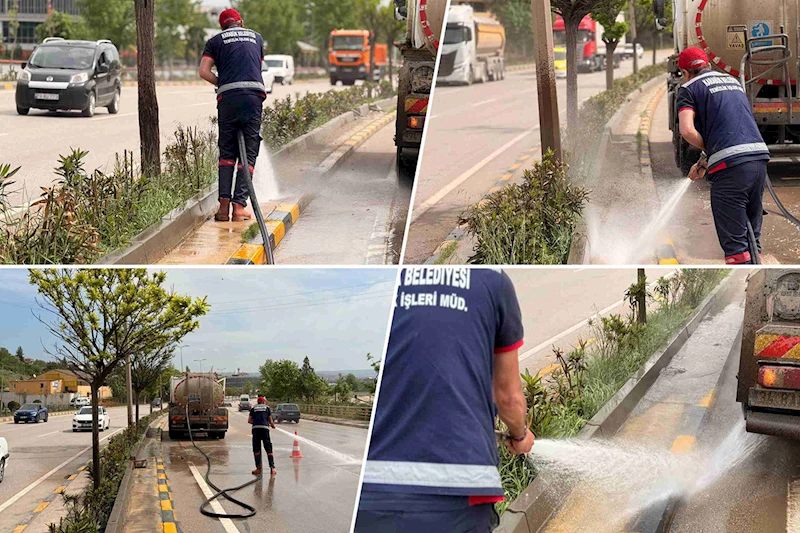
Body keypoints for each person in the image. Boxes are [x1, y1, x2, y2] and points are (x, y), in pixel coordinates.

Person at [355, 267, 535, 533]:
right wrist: (520, 435)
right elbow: (508, 397)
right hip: (460, 495)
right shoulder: (492, 282)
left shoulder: (387, 281)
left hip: (372, 493)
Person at [677, 47, 770, 264]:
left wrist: (711, 149)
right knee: (752, 240)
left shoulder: (688, 89)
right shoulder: (732, 82)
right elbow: (729, 126)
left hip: (731, 169)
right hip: (758, 160)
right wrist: (704, 161)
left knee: (736, 248)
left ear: (685, 72)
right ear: (707, 65)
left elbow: (687, 130)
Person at [199, 8, 266, 223]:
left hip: (228, 99)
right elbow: (257, 65)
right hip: (253, 97)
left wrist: (222, 83)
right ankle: (239, 208)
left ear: (222, 27)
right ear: (241, 22)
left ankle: (223, 208)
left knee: (227, 154)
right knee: (249, 152)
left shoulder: (215, 41)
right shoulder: (256, 37)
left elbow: (203, 71)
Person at [249, 395, 277, 476]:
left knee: (256, 450)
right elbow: (270, 420)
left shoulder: (253, 408)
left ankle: (258, 469)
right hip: (264, 430)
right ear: (264, 401)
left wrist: (255, 423)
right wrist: (272, 425)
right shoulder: (267, 408)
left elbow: (249, 420)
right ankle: (272, 468)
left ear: (257, 402)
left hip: (256, 430)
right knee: (268, 449)